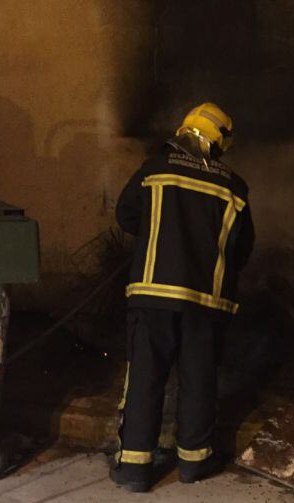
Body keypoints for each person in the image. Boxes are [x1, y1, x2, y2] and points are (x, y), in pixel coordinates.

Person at [110, 103, 254, 493]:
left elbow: (126, 216)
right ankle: (194, 461)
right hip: (205, 303)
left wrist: (160, 234)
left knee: (145, 378)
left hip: (153, 295)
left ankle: (135, 468)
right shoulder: (234, 187)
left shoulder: (155, 169)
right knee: (198, 379)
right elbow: (241, 250)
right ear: (220, 140)